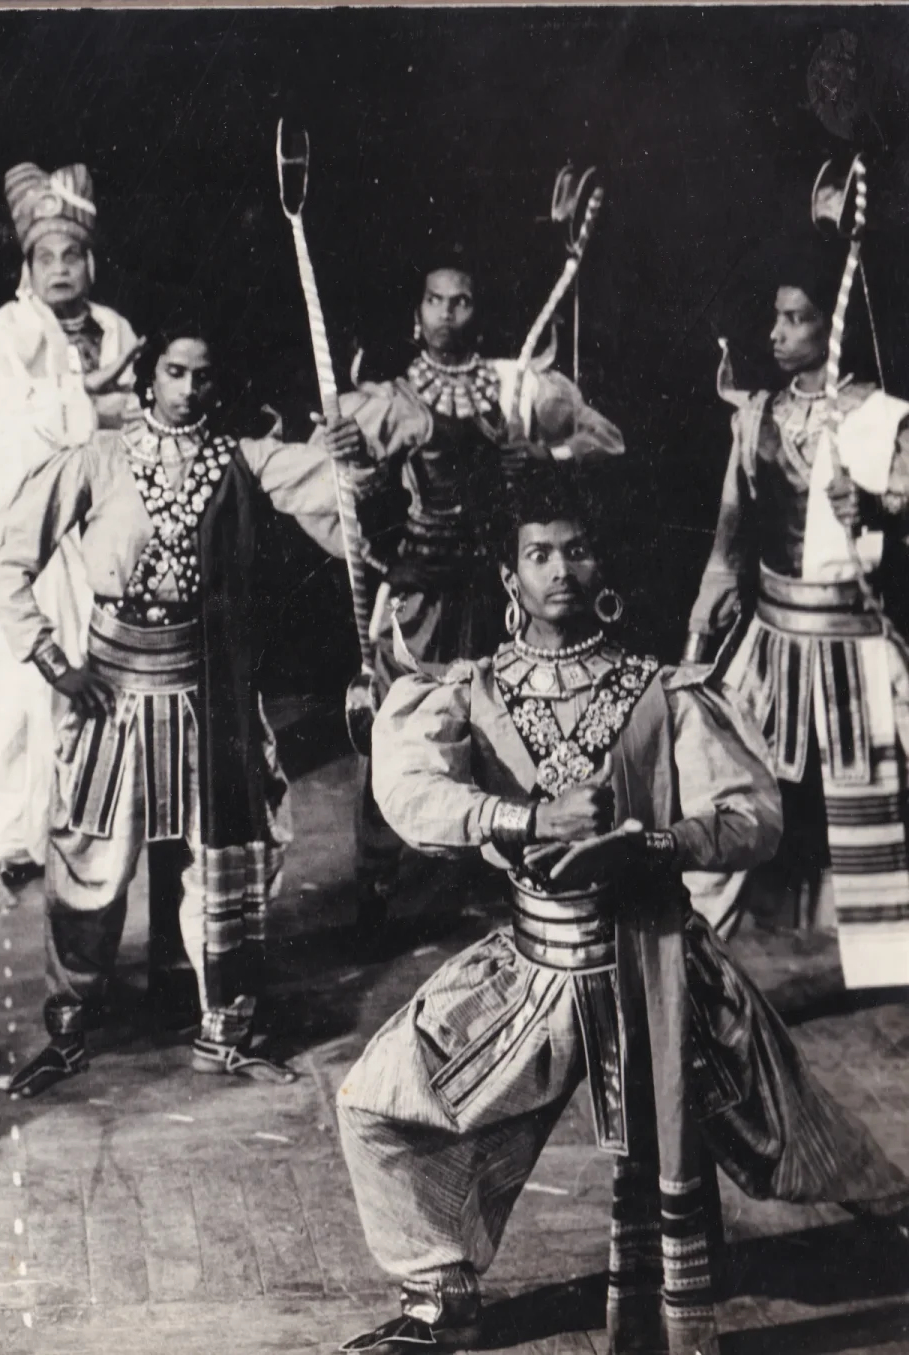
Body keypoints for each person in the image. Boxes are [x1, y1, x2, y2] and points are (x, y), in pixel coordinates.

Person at [338, 471, 909, 1354]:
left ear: (601, 563)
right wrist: (528, 818)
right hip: (534, 965)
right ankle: (441, 1294)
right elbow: (413, 796)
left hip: (661, 961)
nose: (560, 569)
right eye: (539, 554)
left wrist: (652, 844)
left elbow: (751, 817)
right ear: (509, 576)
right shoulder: (472, 689)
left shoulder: (660, 688)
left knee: (797, 1132)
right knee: (379, 1099)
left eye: (577, 550)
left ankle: (834, 1236)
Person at [0, 318, 373, 1096]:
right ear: (149, 377)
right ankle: (68, 1028)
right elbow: (7, 554)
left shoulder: (242, 458)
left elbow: (336, 498)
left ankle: (225, 1027)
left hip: (208, 695)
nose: (189, 388)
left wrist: (350, 456)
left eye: (202, 375)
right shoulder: (99, 457)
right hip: (113, 695)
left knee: (229, 860)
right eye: (174, 371)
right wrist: (56, 662)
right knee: (90, 865)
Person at [341, 265, 625, 943]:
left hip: (500, 591)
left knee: (512, 724)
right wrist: (356, 462)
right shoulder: (393, 400)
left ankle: (515, 866)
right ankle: (377, 882)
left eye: (461, 300)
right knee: (402, 725)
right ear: (417, 314)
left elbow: (607, 441)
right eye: (434, 300)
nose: (447, 312)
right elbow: (351, 491)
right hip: (424, 592)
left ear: (478, 311)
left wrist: (545, 452)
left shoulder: (516, 388)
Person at [683, 243, 909, 989]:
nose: (777, 333)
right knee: (729, 783)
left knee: (877, 793)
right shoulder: (757, 418)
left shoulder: (881, 420)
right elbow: (729, 543)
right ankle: (690, 946)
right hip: (772, 642)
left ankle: (889, 966)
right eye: (776, 317)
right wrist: (699, 635)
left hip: (854, 645)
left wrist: (877, 508)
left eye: (798, 318)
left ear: (834, 325)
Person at [0, 161, 145, 916]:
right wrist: (84, 404)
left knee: (94, 678)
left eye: (73, 255)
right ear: (27, 267)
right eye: (46, 257)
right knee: (18, 685)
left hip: (98, 531)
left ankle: (72, 833)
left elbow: (133, 426)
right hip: (36, 535)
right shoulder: (3, 333)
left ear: (91, 263)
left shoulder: (116, 330)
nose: (61, 268)